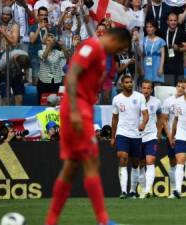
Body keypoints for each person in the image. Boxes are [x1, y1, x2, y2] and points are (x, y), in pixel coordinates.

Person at [44, 28, 131, 225]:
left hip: (82, 107)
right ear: (115, 40)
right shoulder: (91, 47)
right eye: (120, 48)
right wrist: (75, 110)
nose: (118, 52)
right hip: (77, 108)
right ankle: (103, 220)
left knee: (71, 167)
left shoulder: (102, 56)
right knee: (91, 161)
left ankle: (50, 221)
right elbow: (72, 75)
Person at [111, 75, 149, 199]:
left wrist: (143, 123)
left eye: (130, 82)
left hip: (136, 134)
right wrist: (113, 136)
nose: (129, 84)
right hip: (122, 133)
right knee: (122, 158)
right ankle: (123, 191)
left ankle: (132, 190)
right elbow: (115, 118)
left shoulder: (139, 97)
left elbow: (145, 114)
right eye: (126, 82)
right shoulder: (116, 99)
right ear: (122, 84)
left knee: (135, 162)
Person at [161, 79, 186, 198]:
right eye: (178, 86)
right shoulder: (168, 101)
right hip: (172, 136)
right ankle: (174, 190)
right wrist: (169, 136)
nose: (180, 88)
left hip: (185, 135)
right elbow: (164, 120)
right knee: (173, 162)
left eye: (182, 87)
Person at [138, 80, 162, 198]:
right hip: (137, 136)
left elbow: (160, 117)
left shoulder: (157, 102)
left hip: (151, 136)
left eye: (148, 88)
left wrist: (158, 132)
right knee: (140, 164)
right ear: (140, 88)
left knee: (150, 161)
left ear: (151, 90)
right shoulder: (136, 100)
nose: (146, 90)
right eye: (144, 88)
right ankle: (142, 189)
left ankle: (148, 190)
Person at [37, 33, 68, 104]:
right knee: (43, 103)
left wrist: (63, 46)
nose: (50, 41)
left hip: (56, 81)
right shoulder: (40, 51)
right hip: (43, 82)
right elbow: (44, 57)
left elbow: (67, 56)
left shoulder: (58, 52)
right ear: (45, 42)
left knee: (55, 102)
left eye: (51, 39)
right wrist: (49, 46)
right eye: (48, 40)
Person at [29, 6, 56, 85]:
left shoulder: (51, 28)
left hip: (48, 57)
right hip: (36, 56)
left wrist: (47, 29)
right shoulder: (33, 27)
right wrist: (39, 28)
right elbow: (32, 40)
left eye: (45, 15)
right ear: (38, 16)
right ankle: (37, 96)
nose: (43, 17)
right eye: (41, 15)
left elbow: (53, 43)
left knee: (49, 81)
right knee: (36, 80)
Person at [161, 13, 186, 86]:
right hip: (166, 65)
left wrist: (178, 48)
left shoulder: (182, 32)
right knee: (168, 87)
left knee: (179, 86)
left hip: (178, 65)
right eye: (171, 20)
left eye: (175, 20)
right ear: (167, 22)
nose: (173, 22)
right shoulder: (163, 32)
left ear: (177, 21)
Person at [138, 20, 166, 84]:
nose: (148, 29)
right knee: (147, 85)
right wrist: (142, 68)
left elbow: (163, 55)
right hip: (146, 63)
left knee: (157, 86)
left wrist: (161, 67)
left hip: (157, 63)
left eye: (150, 27)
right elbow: (141, 55)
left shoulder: (161, 40)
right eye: (147, 27)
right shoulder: (143, 40)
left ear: (155, 28)